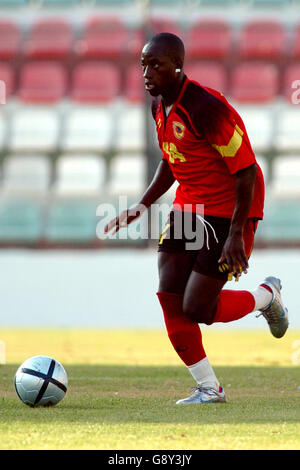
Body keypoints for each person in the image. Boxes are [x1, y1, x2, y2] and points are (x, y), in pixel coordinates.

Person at [104, 32, 289, 404]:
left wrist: (237, 233)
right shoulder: (159, 107)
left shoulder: (206, 107)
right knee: (168, 293)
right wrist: (141, 205)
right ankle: (209, 387)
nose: (146, 72)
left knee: (198, 309)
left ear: (177, 66)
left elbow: (247, 170)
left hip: (229, 210)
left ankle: (265, 297)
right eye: (143, 63)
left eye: (155, 64)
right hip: (189, 208)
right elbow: (172, 161)